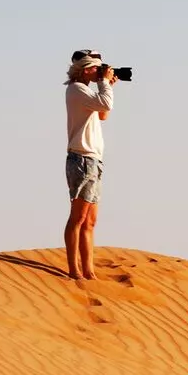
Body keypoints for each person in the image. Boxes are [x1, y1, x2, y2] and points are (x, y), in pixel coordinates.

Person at [64, 50, 116, 280]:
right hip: (82, 159)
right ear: (86, 69)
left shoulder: (85, 92)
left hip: (93, 160)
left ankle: (89, 270)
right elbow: (106, 104)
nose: (99, 72)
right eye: (96, 68)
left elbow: (103, 113)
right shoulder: (76, 89)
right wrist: (105, 84)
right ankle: (74, 270)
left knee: (90, 220)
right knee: (78, 217)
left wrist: (109, 85)